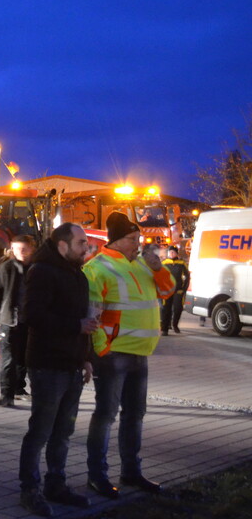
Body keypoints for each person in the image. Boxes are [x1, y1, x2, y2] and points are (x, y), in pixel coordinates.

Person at [83, 212, 175, 499]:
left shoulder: (142, 265)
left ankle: (131, 472)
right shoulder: (97, 268)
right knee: (106, 416)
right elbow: (92, 314)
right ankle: (97, 476)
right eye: (133, 239)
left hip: (139, 354)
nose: (139, 244)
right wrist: (101, 349)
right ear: (116, 240)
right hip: (113, 354)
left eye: (139, 239)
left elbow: (169, 290)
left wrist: (158, 268)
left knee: (135, 416)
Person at [17, 223, 97, 517]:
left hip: (71, 364)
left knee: (63, 430)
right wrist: (75, 327)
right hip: (47, 364)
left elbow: (83, 319)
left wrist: (85, 358)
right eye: (81, 242)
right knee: (40, 430)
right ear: (62, 245)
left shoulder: (78, 274)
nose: (86, 247)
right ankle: (30, 488)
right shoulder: (42, 271)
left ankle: (56, 483)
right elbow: (33, 315)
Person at [0, 235, 36, 407]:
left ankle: (19, 389)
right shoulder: (6, 268)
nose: (21, 252)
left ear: (31, 248)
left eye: (24, 249)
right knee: (9, 360)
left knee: (26, 359)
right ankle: (6, 394)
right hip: (10, 321)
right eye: (17, 249)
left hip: (30, 322)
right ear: (12, 250)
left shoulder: (37, 269)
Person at [160, 246, 189, 335]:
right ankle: (165, 329)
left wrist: (183, 289)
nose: (171, 254)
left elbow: (187, 276)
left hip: (178, 290)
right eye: (170, 252)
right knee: (166, 309)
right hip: (167, 290)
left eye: (173, 252)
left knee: (178, 308)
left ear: (176, 253)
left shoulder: (181, 263)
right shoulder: (164, 263)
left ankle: (175, 324)